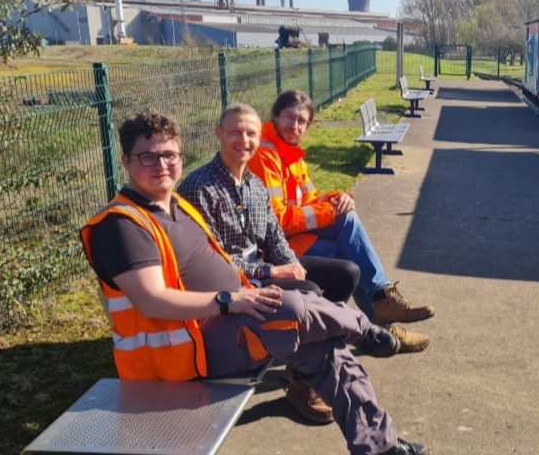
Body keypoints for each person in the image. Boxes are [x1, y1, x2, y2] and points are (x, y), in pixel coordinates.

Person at [80, 109, 428, 455]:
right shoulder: (122, 225)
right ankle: (364, 330)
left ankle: (380, 446)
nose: (161, 165)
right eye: (148, 157)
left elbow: (261, 243)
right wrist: (231, 300)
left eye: (169, 155)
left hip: (228, 323)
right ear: (125, 161)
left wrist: (260, 283)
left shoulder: (177, 206)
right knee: (290, 307)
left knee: (325, 346)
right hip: (189, 352)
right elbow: (151, 299)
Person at [178, 102, 361, 425]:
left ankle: (300, 364)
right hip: (232, 282)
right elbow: (211, 259)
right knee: (310, 291)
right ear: (218, 134)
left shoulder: (253, 183)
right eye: (235, 132)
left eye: (251, 133)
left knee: (346, 274)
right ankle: (306, 382)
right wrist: (271, 271)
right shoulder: (198, 187)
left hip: (262, 267)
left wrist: (292, 263)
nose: (244, 140)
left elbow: (274, 236)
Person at [247, 91, 434, 353]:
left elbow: (310, 199)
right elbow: (276, 221)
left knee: (347, 216)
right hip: (276, 249)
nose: (295, 126)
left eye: (302, 121)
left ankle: (381, 310)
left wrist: (338, 198)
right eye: (289, 117)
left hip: (296, 237)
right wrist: (330, 212)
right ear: (275, 116)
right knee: (348, 255)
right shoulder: (266, 155)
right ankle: (378, 320)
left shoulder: (291, 154)